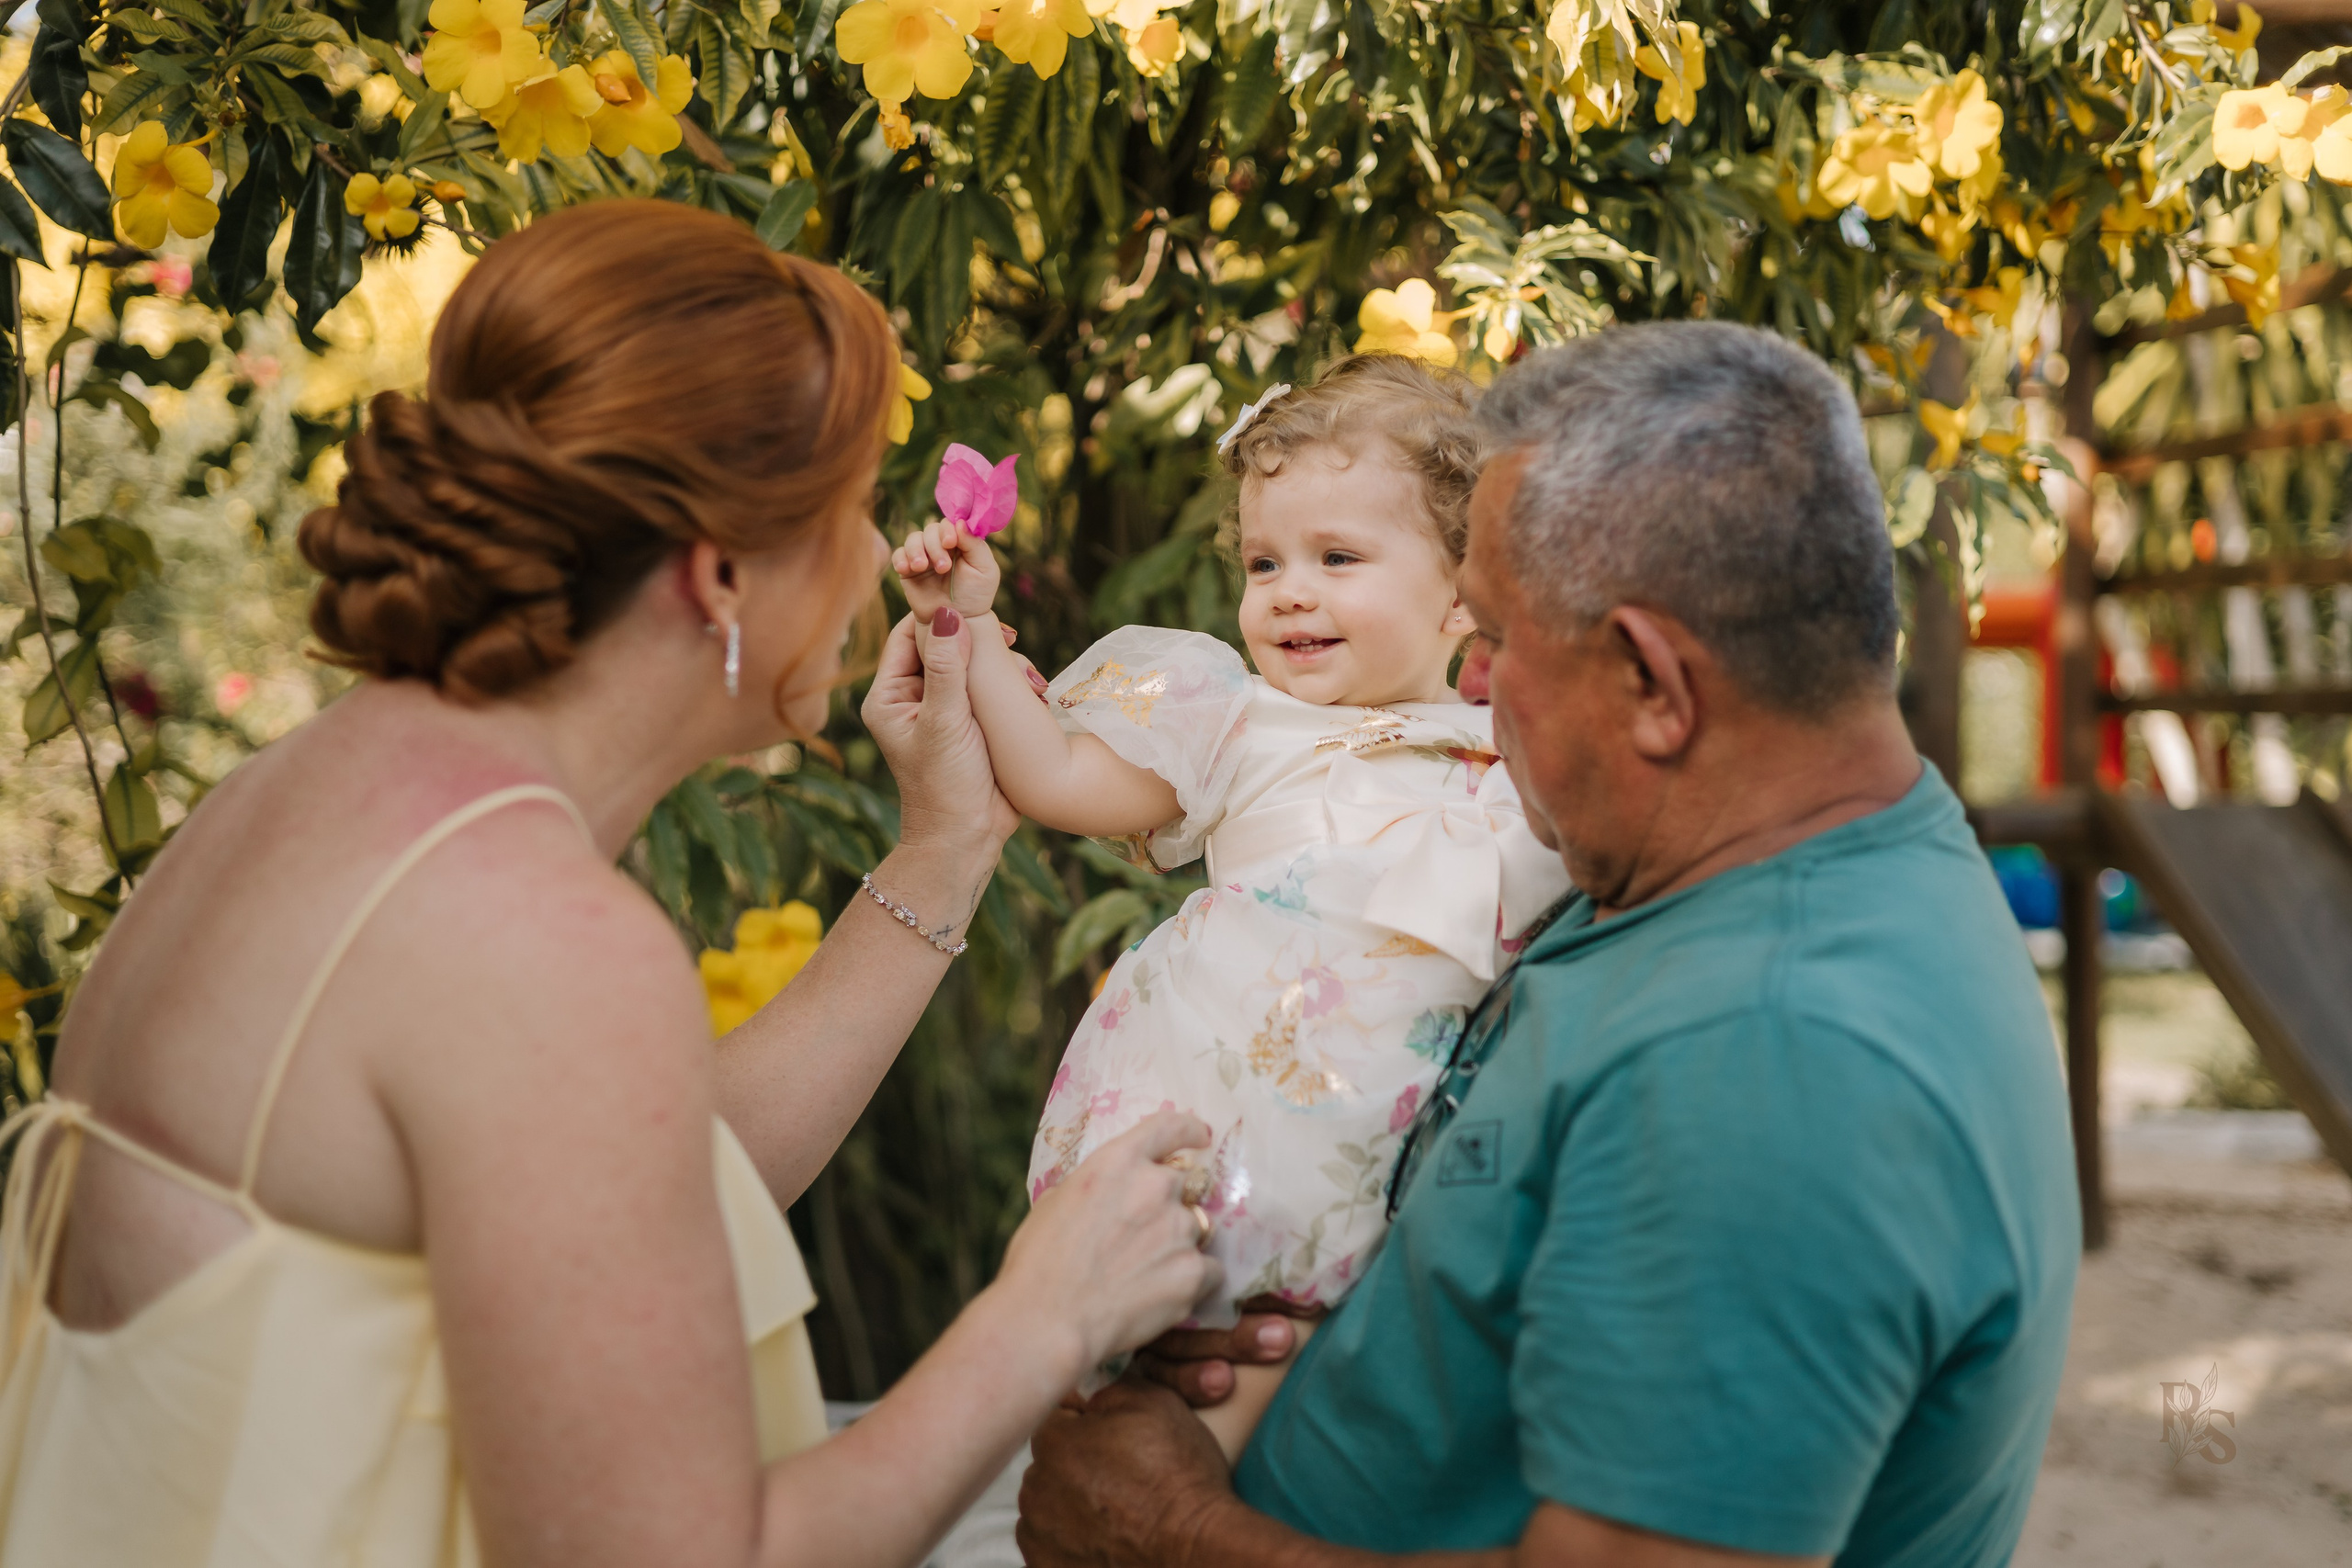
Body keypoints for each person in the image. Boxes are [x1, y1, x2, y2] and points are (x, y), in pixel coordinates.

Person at [0, 200, 1220, 1568]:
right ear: (717, 577)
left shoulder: (324, 800)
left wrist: (946, 843)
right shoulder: (534, 927)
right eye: (846, 511)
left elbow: (616, 1195)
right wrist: (1042, 1313)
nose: (881, 557)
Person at [1015, 321, 2081, 1567]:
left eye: (1499, 642)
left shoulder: (1778, 1057)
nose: (1468, 689)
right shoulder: (1720, 868)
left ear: (1653, 683)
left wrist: (1172, 1532)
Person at [890, 356, 1569, 1457]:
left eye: (1337, 558)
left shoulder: (1522, 756)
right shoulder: (1240, 724)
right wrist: (963, 632)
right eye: (1265, 562)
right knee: (1171, 1412)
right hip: (1224, 1134)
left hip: (1405, 1165)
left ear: (1463, 592)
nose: (1289, 589)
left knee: (1304, 1439)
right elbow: (1057, 781)